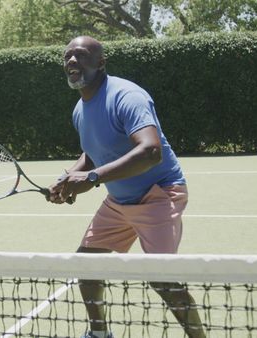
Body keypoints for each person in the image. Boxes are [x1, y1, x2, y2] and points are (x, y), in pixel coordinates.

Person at [48, 36, 206, 338]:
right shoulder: (80, 110)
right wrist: (68, 178)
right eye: (67, 56)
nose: (71, 61)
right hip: (120, 201)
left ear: (100, 63)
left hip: (158, 193)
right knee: (86, 267)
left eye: (80, 56)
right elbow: (93, 154)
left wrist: (93, 178)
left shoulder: (127, 96)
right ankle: (99, 334)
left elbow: (150, 151)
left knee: (163, 280)